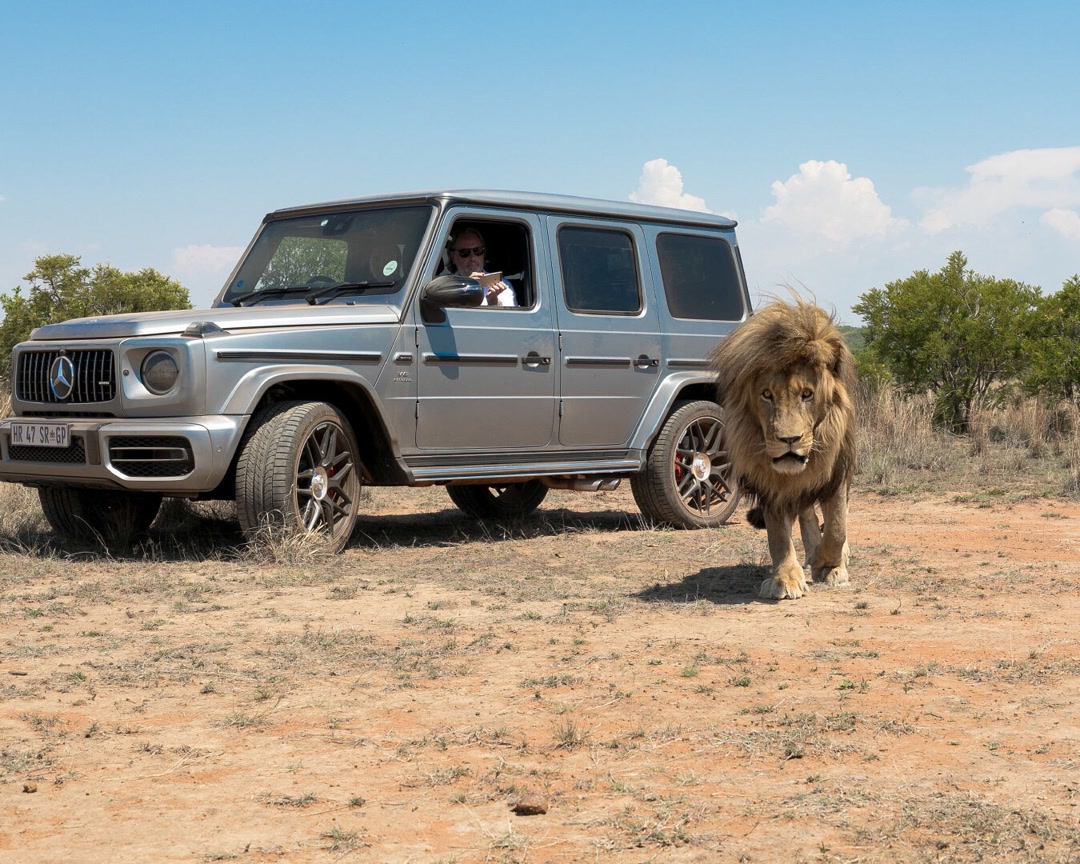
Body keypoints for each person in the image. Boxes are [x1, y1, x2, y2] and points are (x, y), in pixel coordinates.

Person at [448, 227, 518, 307]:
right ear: (453, 256)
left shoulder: (502, 285)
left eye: (477, 250)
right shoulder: (445, 286)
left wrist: (493, 303)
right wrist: (466, 289)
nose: (472, 257)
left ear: (483, 253)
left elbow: (510, 318)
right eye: (464, 252)